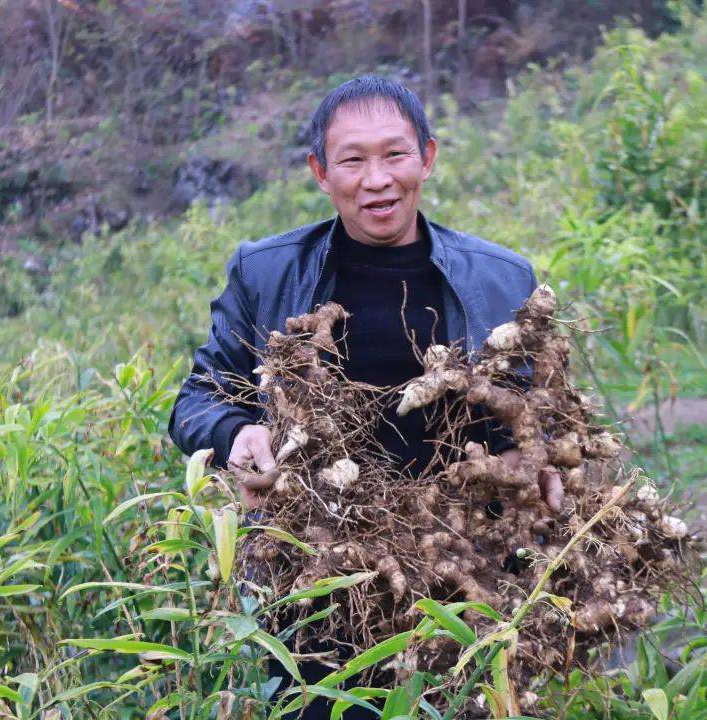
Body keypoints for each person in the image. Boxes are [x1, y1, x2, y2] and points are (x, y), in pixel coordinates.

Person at [167, 74, 562, 717]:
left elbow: (537, 412)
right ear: (321, 173)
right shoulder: (267, 272)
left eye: (395, 155)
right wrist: (236, 436)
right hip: (320, 587)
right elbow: (198, 400)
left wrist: (541, 465)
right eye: (353, 160)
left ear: (427, 159)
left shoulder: (501, 278)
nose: (377, 179)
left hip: (468, 577)